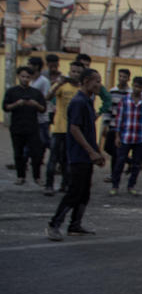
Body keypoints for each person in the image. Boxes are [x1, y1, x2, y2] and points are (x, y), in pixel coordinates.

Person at [46, 68, 106, 241]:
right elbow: (74, 128)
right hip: (78, 156)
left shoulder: (87, 101)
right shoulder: (78, 101)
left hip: (86, 156)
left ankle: (75, 225)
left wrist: (97, 153)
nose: (99, 85)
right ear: (86, 81)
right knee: (74, 192)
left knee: (84, 192)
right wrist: (90, 152)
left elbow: (89, 131)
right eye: (96, 81)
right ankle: (54, 224)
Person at [43, 61, 83, 195]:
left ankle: (65, 185)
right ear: (69, 71)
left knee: (68, 159)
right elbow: (48, 97)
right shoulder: (62, 85)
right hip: (59, 128)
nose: (75, 74)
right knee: (53, 158)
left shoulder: (82, 90)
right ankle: (49, 185)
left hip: (73, 130)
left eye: (78, 72)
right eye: (73, 71)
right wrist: (58, 83)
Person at [110, 77, 142, 195]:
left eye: (139, 87)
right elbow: (119, 119)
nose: (137, 89)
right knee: (120, 162)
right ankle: (115, 185)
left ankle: (131, 186)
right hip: (126, 136)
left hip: (140, 137)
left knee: (136, 164)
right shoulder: (125, 100)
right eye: (135, 86)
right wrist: (117, 136)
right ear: (132, 85)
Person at [3, 66, 46, 185]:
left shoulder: (35, 93)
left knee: (36, 154)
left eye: (28, 77)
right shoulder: (12, 91)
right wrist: (17, 104)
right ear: (18, 76)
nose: (25, 79)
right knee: (18, 153)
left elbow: (43, 109)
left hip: (32, 127)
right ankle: (20, 176)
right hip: (17, 127)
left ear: (31, 78)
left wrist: (35, 104)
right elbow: (6, 108)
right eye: (23, 76)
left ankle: (37, 177)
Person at [103, 69, 131, 179]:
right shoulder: (112, 91)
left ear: (128, 78)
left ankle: (114, 175)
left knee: (116, 150)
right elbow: (108, 108)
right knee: (108, 148)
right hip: (113, 125)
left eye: (124, 77)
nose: (122, 79)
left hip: (124, 127)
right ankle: (129, 161)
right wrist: (106, 124)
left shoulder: (130, 93)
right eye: (120, 76)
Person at [28, 57, 51, 167]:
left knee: (44, 140)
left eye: (30, 64)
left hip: (42, 116)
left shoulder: (43, 81)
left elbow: (46, 97)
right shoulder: (30, 80)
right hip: (30, 116)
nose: (28, 66)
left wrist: (36, 102)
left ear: (36, 66)